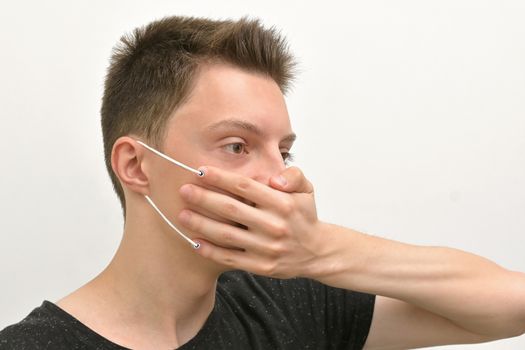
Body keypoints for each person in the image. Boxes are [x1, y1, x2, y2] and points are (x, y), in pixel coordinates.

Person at [1, 15, 524, 350]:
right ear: (137, 166)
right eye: (237, 146)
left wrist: (321, 251)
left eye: (285, 150)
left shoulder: (289, 305)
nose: (282, 179)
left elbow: (512, 304)